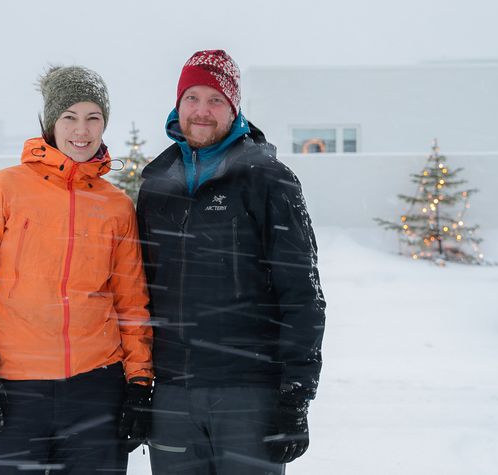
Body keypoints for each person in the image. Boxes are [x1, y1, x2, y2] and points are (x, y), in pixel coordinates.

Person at [0, 65, 153, 474]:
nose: (82, 130)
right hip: (14, 387)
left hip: (96, 388)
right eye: (69, 117)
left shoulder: (116, 206)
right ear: (49, 123)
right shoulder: (0, 190)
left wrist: (139, 382)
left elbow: (131, 302)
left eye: (94, 117)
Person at [136, 49, 327, 475]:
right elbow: (138, 294)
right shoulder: (156, 185)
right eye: (192, 98)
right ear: (178, 103)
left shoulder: (269, 179)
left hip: (249, 394)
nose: (202, 111)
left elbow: (302, 293)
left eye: (215, 99)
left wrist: (296, 394)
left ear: (234, 107)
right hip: (172, 394)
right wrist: (137, 386)